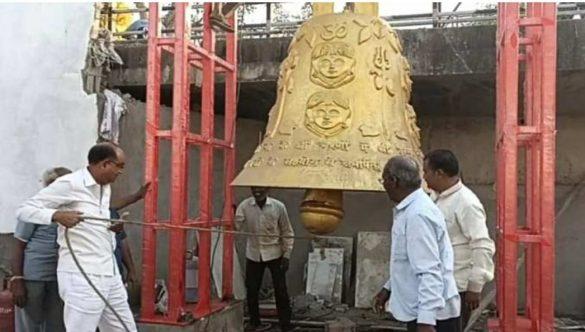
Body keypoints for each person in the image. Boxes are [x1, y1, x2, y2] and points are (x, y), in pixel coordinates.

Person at [16, 142, 137, 332]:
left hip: (109, 272)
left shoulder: (104, 188)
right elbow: (25, 210)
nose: (121, 172)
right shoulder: (70, 183)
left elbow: (93, 223)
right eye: (119, 166)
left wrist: (110, 227)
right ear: (104, 164)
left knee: (125, 328)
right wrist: (56, 216)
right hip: (82, 275)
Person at [374, 156, 461, 332]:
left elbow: (429, 270)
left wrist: (426, 322)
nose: (384, 185)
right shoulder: (411, 209)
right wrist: (388, 288)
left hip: (433, 316)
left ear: (393, 181)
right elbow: (408, 260)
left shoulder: (417, 215)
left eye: (384, 180)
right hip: (422, 309)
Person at [423, 149, 495, 327]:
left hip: (457, 287)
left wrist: (475, 287)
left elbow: (482, 245)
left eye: (426, 172)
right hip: (435, 283)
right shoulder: (434, 197)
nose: (424, 177)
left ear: (439, 173)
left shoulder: (467, 202)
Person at [11, 167, 72, 332]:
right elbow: (18, 245)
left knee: (56, 325)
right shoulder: (35, 208)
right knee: (30, 324)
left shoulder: (70, 210)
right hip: (34, 276)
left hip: (60, 276)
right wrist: (17, 279)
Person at [235, 187, 294, 332]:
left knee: (281, 291)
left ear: (268, 190)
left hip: (275, 253)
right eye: (254, 189)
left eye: (261, 189)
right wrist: (230, 216)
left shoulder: (278, 206)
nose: (257, 192)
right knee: (252, 289)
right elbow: (235, 226)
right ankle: (255, 323)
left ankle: (285, 325)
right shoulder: (245, 206)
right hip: (254, 254)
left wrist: (286, 255)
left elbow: (287, 231)